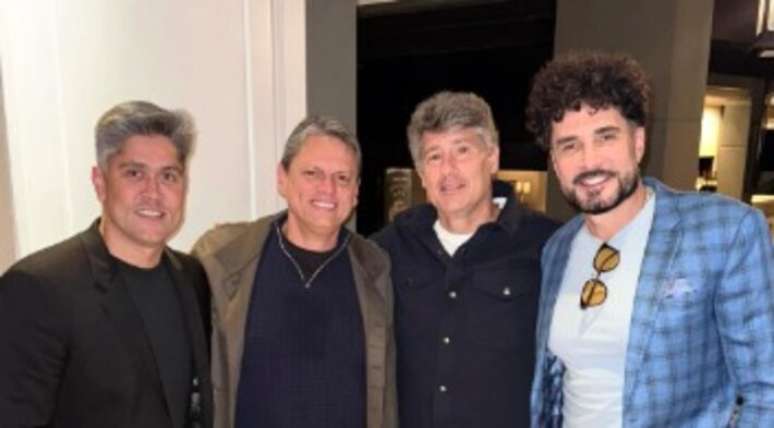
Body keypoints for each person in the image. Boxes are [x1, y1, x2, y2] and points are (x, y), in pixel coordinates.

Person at [526, 51, 774, 427]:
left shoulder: (725, 231)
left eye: (605, 137)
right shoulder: (557, 248)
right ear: (556, 163)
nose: (589, 161)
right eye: (570, 145)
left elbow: (765, 392)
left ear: (638, 142)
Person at [0, 101, 213, 428]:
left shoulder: (193, 276)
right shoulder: (38, 288)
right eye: (134, 173)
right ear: (100, 182)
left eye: (168, 176)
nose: (153, 193)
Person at [192, 116, 396, 428]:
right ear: (282, 178)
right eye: (312, 173)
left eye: (342, 178)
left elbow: (388, 395)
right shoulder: (222, 259)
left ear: (355, 192)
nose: (327, 188)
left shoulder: (377, 270)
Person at [372, 91, 559, 428]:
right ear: (421, 173)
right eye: (434, 156)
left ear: (492, 158)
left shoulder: (548, 245)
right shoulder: (389, 248)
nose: (449, 169)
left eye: (462, 151)